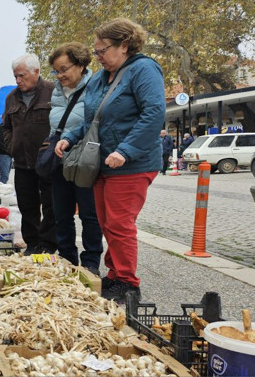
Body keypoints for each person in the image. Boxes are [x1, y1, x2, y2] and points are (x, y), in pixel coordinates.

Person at [55, 18, 166, 303]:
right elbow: (93, 119)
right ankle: (114, 276)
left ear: (124, 45)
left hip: (131, 163)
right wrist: (69, 137)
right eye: (96, 51)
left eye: (102, 50)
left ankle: (128, 283)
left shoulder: (143, 70)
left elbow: (153, 114)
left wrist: (126, 150)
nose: (98, 56)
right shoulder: (100, 79)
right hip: (102, 162)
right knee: (107, 223)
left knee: (119, 223)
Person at [47, 43, 102, 275]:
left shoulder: (96, 86)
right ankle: (67, 258)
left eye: (64, 69)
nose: (60, 76)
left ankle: (90, 262)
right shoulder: (57, 91)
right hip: (60, 159)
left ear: (80, 65)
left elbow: (92, 122)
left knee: (89, 213)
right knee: (61, 214)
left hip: (84, 158)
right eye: (56, 71)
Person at [3, 53, 56, 255]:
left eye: (22, 75)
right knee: (27, 207)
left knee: (51, 207)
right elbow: (5, 128)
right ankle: (32, 244)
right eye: (15, 76)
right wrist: (12, 146)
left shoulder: (53, 92)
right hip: (23, 163)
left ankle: (49, 246)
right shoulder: (11, 98)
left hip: (48, 162)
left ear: (36, 72)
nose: (18, 80)